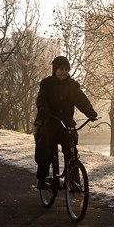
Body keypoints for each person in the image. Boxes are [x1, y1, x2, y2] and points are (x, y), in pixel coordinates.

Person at [33, 56, 97, 189]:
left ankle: (73, 181)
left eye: (66, 69)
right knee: (45, 150)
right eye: (61, 69)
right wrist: (43, 110)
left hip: (67, 123)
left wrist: (90, 112)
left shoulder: (72, 86)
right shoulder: (47, 84)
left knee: (71, 151)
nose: (63, 72)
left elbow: (81, 100)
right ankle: (42, 178)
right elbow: (42, 99)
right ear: (55, 70)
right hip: (50, 122)